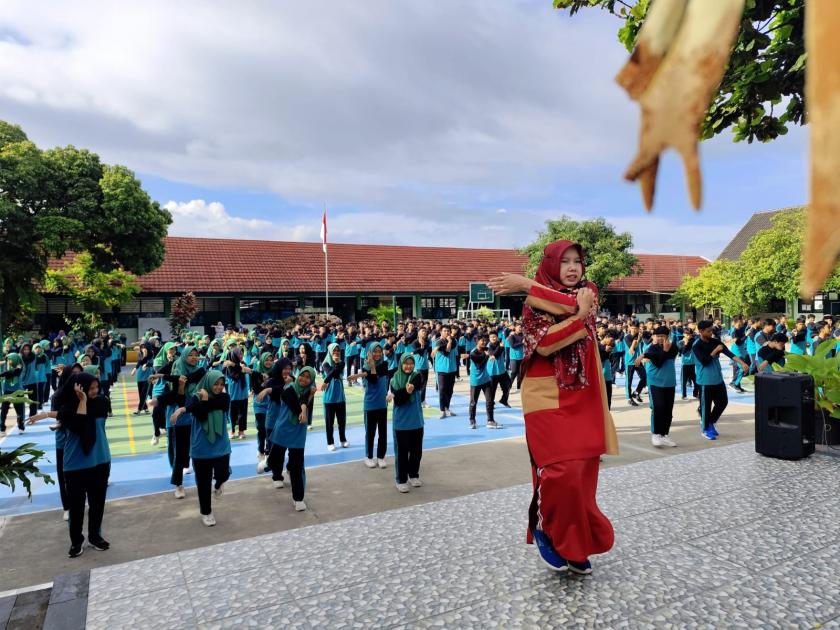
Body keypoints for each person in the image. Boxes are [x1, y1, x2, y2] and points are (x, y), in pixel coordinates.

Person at [489, 239, 619, 576]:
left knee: (583, 473)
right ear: (550, 264)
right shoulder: (532, 307)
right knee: (561, 472)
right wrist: (577, 316)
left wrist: (525, 285)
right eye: (565, 261)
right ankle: (547, 530)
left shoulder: (588, 291)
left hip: (583, 395)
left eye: (577, 261)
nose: (573, 267)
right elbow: (546, 344)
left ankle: (575, 545)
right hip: (545, 396)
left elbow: (575, 305)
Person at [56, 372, 112, 557]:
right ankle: (76, 541)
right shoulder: (67, 408)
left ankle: (95, 536)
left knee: (97, 504)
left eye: (96, 387)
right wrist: (82, 401)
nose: (95, 391)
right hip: (75, 464)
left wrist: (84, 402)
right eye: (90, 388)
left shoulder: (102, 402)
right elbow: (79, 425)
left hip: (100, 460)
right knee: (76, 507)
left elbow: (85, 418)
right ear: (79, 389)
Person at [170, 369, 232, 526]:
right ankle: (206, 512)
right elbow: (200, 413)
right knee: (203, 483)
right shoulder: (196, 397)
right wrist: (184, 408)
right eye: (215, 384)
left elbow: (213, 405)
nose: (219, 387)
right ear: (208, 383)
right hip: (201, 448)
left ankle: (218, 484)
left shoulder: (224, 398)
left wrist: (203, 401)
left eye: (221, 384)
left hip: (221, 446)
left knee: (223, 474)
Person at [255, 366, 314, 511]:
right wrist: (304, 407)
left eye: (308, 377)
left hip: (298, 433)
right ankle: (268, 462)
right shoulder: (289, 389)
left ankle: (298, 499)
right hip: (283, 430)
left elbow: (304, 402)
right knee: (275, 459)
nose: (304, 379)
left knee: (297, 466)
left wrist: (307, 401)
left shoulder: (309, 391)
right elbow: (295, 405)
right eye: (302, 375)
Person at [692, 320, 749, 441]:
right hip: (705, 380)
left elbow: (729, 353)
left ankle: (710, 422)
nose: (711, 333)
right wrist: (715, 350)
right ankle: (705, 429)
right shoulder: (697, 345)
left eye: (711, 330)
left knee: (723, 402)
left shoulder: (715, 342)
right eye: (708, 331)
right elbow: (705, 361)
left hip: (717, 378)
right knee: (706, 407)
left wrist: (742, 363)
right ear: (701, 331)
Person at [388, 353, 425, 493]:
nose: (409, 366)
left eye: (411, 363)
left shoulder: (417, 376)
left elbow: (415, 385)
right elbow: (399, 401)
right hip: (401, 423)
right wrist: (404, 392)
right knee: (402, 453)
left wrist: (396, 393)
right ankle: (401, 480)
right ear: (401, 364)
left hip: (416, 421)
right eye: (406, 363)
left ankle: (413, 475)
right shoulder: (394, 380)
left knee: (416, 452)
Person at [350, 341, 389, 469]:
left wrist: (364, 372)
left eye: (379, 351)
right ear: (370, 353)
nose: (377, 354)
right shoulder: (365, 366)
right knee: (370, 433)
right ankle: (368, 456)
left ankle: (381, 457)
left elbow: (378, 373)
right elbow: (373, 380)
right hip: (370, 404)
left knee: (382, 433)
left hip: (382, 404)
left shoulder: (384, 364)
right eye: (375, 352)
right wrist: (368, 369)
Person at [637, 326, 677, 447]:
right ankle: (656, 434)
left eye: (662, 336)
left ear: (667, 337)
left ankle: (664, 435)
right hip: (655, 382)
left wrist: (663, 351)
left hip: (669, 382)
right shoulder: (652, 348)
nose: (659, 338)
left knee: (668, 410)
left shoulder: (673, 347)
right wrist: (644, 355)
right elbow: (658, 363)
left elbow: (667, 356)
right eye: (657, 336)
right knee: (658, 407)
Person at [321, 343, 349, 450]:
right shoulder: (325, 363)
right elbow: (331, 373)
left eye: (338, 350)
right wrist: (336, 365)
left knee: (342, 421)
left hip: (340, 397)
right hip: (329, 397)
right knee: (329, 423)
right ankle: (330, 442)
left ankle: (343, 439)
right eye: (334, 351)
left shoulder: (341, 363)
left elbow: (336, 373)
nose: (336, 352)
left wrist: (337, 363)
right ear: (330, 352)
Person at [468, 336, 499, 429]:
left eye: (485, 340)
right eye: (482, 341)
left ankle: (490, 420)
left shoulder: (486, 349)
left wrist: (494, 352)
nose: (484, 342)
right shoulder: (473, 353)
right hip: (476, 381)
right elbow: (479, 365)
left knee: (490, 401)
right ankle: (472, 421)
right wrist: (487, 356)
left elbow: (493, 351)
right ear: (477, 342)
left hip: (486, 379)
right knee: (473, 402)